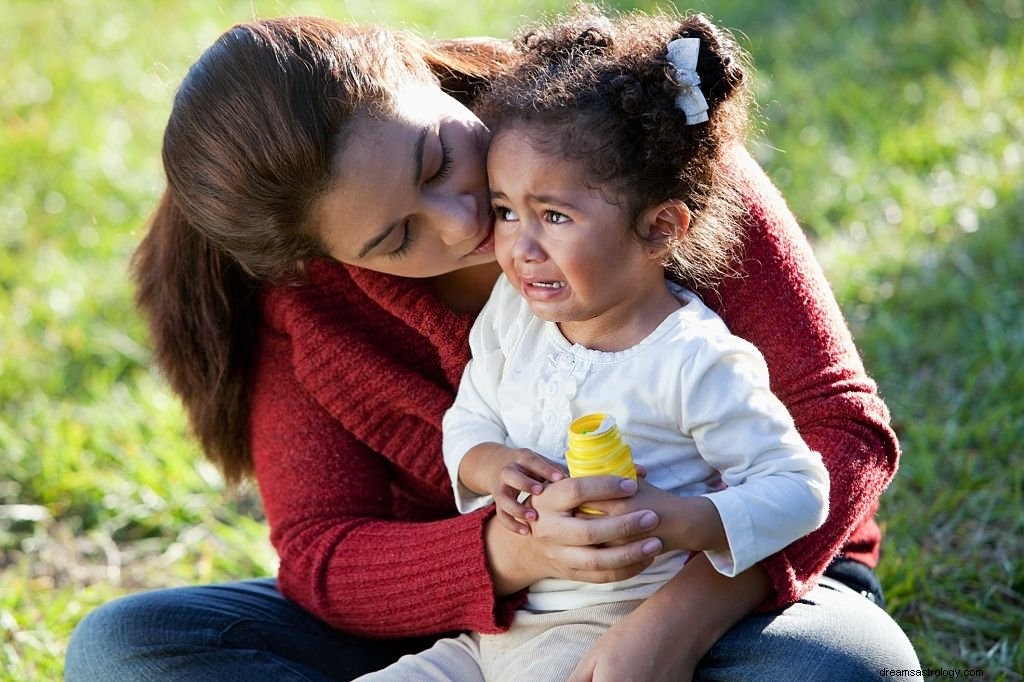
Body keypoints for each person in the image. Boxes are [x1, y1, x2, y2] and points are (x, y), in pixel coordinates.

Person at [64, 8, 919, 681]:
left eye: (437, 158)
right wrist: (513, 552)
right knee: (127, 649)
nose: (464, 219)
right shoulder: (310, 305)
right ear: (320, 259)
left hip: (738, 593)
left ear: (416, 67)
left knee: (838, 665)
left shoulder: (630, 138)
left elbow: (839, 429)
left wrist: (676, 624)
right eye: (396, 239)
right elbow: (324, 557)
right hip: (480, 633)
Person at [357, 10, 831, 680]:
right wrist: (492, 466)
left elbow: (800, 490)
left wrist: (684, 520)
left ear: (660, 228)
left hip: (611, 633)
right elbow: (467, 420)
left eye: (554, 215)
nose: (517, 247)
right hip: (498, 630)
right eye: (505, 210)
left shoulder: (693, 360)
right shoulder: (511, 315)